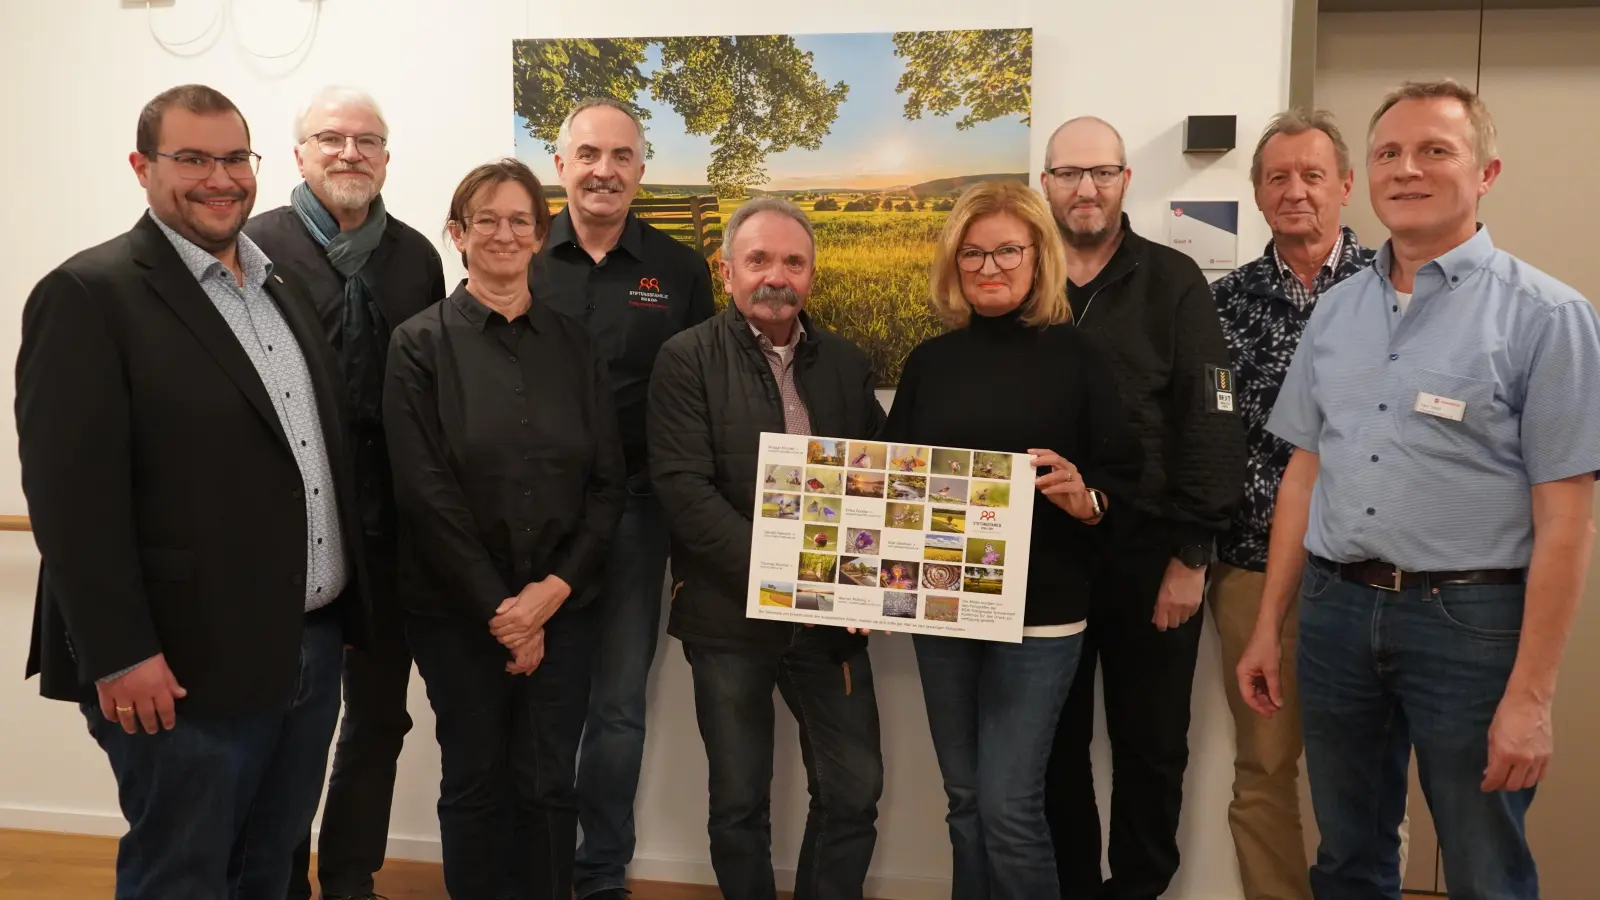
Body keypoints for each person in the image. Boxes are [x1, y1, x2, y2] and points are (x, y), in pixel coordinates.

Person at [1237, 79, 1600, 900]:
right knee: (1348, 858)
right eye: (1389, 153)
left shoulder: (1548, 317)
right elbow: (1304, 473)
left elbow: (1567, 520)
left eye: (1436, 150)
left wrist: (1533, 696)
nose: (1408, 169)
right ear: (1368, 175)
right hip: (1335, 614)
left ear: (1486, 172)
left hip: (1469, 625)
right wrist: (1269, 625)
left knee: (1484, 865)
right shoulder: (1335, 313)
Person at [16, 84, 368, 899]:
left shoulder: (279, 288)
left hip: (307, 647)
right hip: (179, 667)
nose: (220, 178)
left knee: (270, 870)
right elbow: (69, 501)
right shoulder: (90, 295)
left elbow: (311, 461)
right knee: (182, 875)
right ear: (142, 167)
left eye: (234, 158)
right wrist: (120, 652)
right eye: (193, 159)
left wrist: (345, 605)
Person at [882, 180, 1142, 898]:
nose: (989, 267)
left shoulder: (1079, 356)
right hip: (942, 610)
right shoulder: (929, 363)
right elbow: (894, 484)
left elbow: (1123, 477)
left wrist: (1086, 498)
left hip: (1042, 615)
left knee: (1009, 807)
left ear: (1037, 258)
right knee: (965, 802)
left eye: (1006, 252)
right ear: (953, 264)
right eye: (972, 253)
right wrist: (867, 584)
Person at [382, 158, 625, 900]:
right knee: (476, 780)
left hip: (566, 609)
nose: (503, 233)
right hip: (456, 613)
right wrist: (504, 612)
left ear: (540, 236)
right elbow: (425, 494)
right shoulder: (417, 344)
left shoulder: (576, 345)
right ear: (457, 234)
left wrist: (550, 594)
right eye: (484, 219)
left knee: (550, 783)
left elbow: (608, 485)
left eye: (519, 220)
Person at [647, 196, 885, 900]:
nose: (776, 276)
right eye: (758, 260)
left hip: (830, 619)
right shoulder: (685, 359)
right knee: (738, 802)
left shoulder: (845, 362)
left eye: (793, 262)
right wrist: (789, 573)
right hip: (727, 616)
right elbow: (685, 492)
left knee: (854, 791)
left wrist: (865, 581)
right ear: (726, 271)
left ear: (811, 274)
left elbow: (876, 482)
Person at [243, 84, 446, 900]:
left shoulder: (417, 259)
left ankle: (352, 873)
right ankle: (283, 879)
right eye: (331, 138)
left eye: (367, 140)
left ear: (387, 158)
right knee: (289, 723)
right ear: (299, 155)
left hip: (391, 533)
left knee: (379, 719)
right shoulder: (254, 246)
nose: (350, 152)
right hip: (292, 535)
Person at [1038, 116, 1247, 900]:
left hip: (1151, 555)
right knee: (1051, 748)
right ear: (1046, 183)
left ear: (1126, 180)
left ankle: (1138, 890)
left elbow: (1213, 418)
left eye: (1102, 172)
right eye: (1068, 173)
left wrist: (1192, 557)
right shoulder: (1022, 278)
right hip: (1047, 558)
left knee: (1152, 749)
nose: (1085, 189)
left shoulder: (1173, 280)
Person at [1208, 108, 1402, 900]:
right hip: (1254, 567)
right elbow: (1207, 434)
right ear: (1258, 193)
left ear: (1345, 185)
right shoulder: (1223, 303)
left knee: (1369, 775)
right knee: (1262, 768)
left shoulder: (1398, 287)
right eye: (1278, 178)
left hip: (1371, 573)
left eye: (1312, 175)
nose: (1296, 191)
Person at [528, 97, 716, 900]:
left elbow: (707, 393)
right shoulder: (521, 254)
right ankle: (536, 866)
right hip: (534, 517)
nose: (603, 170)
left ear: (641, 168)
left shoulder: (678, 270)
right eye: (588, 154)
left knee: (616, 708)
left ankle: (600, 872)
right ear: (560, 164)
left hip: (639, 515)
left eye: (621, 156)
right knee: (537, 702)